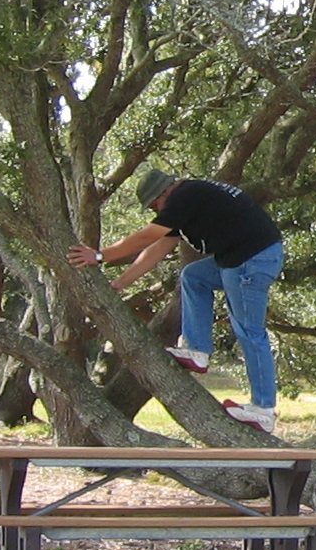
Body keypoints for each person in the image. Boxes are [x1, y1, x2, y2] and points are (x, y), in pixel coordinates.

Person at [68, 169, 284, 432]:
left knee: (249, 331)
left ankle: (264, 409)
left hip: (251, 261)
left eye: (154, 206)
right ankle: (198, 351)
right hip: (245, 258)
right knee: (194, 276)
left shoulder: (185, 195)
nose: (156, 212)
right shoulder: (189, 200)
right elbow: (157, 248)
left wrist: (100, 256)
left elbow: (147, 236)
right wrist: (120, 283)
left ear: (164, 193)